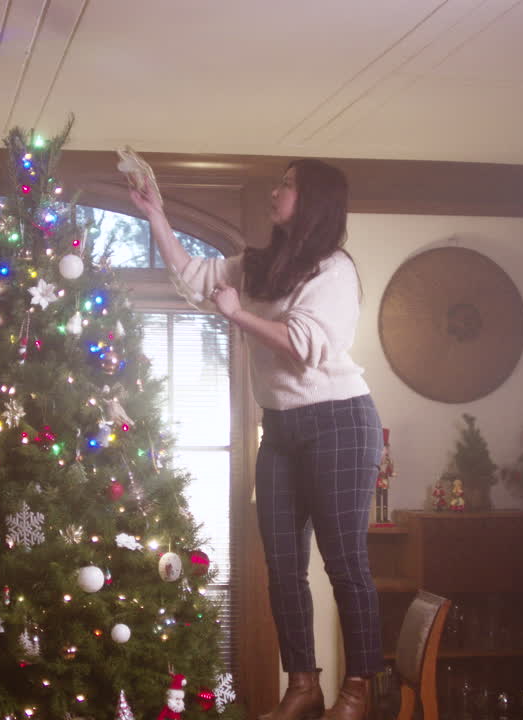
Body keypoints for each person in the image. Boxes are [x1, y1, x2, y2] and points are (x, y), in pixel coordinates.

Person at [127, 158, 384, 720]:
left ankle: (360, 689)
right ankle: (303, 685)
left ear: (313, 199)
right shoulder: (262, 265)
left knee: (344, 563)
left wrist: (238, 316)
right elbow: (197, 276)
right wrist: (156, 216)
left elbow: (303, 344)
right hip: (283, 426)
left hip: (339, 421)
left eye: (287, 185)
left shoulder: (334, 270)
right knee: (282, 564)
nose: (276, 191)